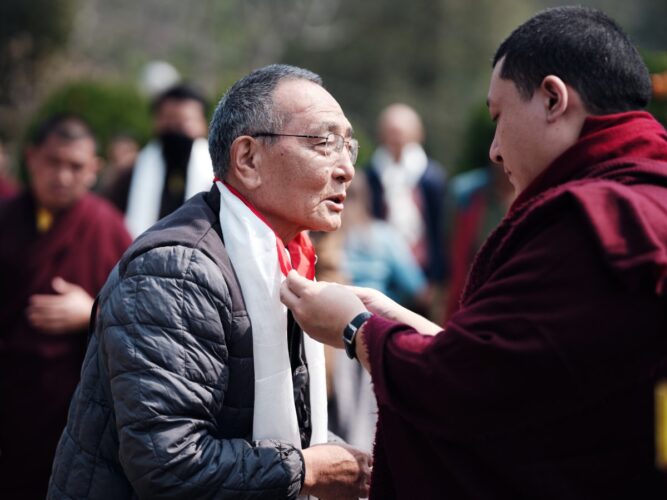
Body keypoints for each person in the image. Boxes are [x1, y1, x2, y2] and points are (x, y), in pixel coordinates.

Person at [281, 6, 667, 498]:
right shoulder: (646, 197)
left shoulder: (596, 219)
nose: (495, 149)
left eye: (499, 117)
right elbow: (527, 366)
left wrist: (355, 329)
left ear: (552, 98)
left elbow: (471, 390)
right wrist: (403, 323)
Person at [48, 64, 371, 500]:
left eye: (347, 144)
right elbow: (168, 465)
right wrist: (305, 469)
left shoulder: (282, 260)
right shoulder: (178, 272)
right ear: (248, 159)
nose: (346, 167)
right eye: (324, 142)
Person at [0, 115, 132, 500]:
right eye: (52, 163)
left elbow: (143, 315)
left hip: (75, 406)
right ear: (32, 159)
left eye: (75, 166)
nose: (62, 176)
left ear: (94, 169)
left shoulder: (108, 227)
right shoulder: (5, 218)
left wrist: (91, 312)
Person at [104, 84, 213, 237]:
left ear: (203, 124)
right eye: (169, 120)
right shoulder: (130, 174)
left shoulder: (219, 172)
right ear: (156, 122)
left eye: (185, 122)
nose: (176, 128)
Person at [365, 103, 447, 302]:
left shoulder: (431, 176)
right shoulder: (372, 174)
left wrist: (439, 276)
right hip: (382, 270)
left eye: (400, 131)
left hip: (424, 270)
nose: (395, 137)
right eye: (390, 131)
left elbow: (440, 228)